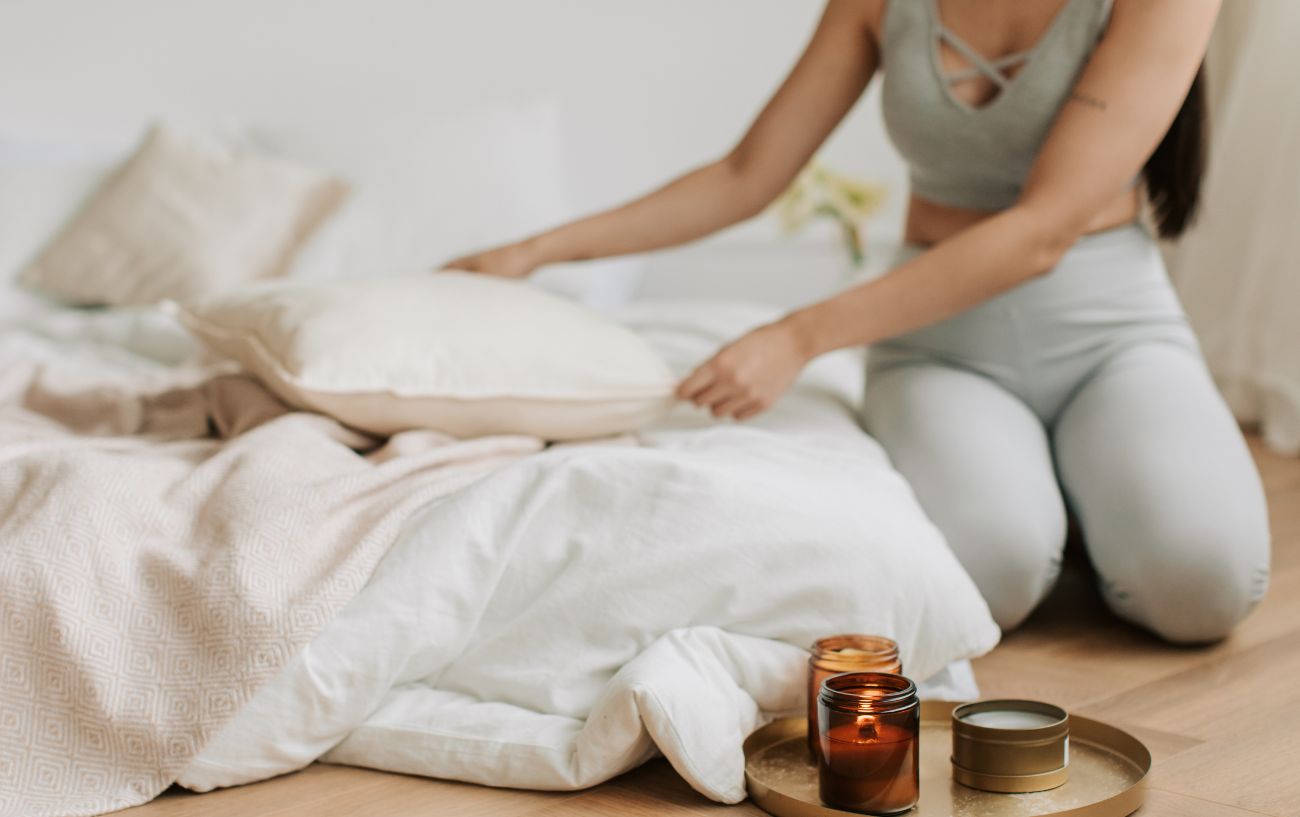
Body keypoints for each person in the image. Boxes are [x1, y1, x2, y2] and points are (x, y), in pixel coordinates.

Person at [447, 0, 1270, 643]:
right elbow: (746, 173)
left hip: (1112, 335)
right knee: (991, 574)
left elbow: (1043, 230)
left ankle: (1097, 504)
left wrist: (798, 336)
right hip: (944, 348)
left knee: (1203, 588)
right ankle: (1076, 505)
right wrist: (531, 251)